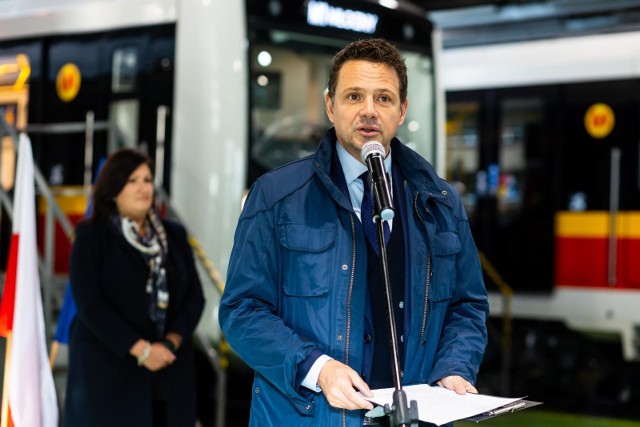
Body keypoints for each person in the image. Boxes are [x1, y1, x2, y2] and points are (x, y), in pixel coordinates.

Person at [219, 38, 489, 427]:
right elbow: (241, 311)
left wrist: (452, 366)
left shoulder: (440, 201)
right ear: (331, 106)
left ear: (402, 110)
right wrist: (318, 368)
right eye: (353, 96)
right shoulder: (277, 196)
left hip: (409, 417)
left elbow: (467, 305)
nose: (368, 111)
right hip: (307, 416)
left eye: (383, 98)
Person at [64, 148, 205, 427]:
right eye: (132, 180)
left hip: (169, 376)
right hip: (108, 380)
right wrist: (142, 350)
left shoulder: (174, 236)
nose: (143, 188)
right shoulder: (91, 236)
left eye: (147, 179)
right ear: (113, 188)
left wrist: (169, 342)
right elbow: (90, 305)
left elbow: (194, 299)